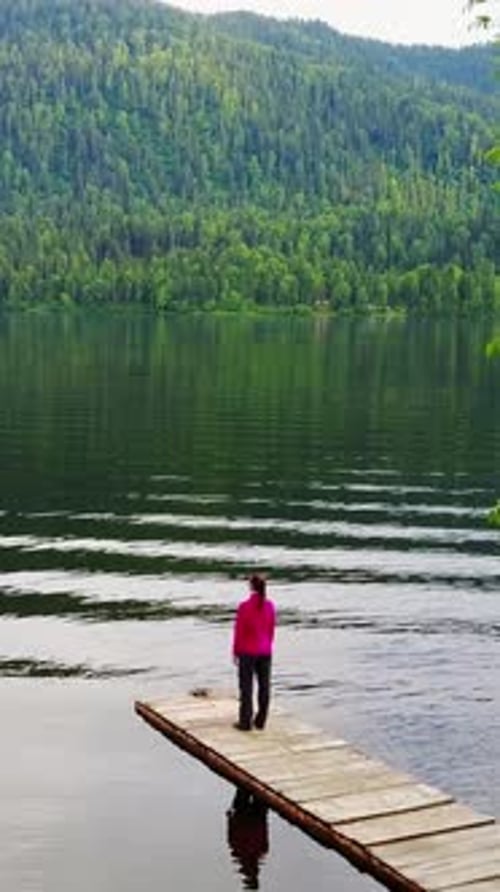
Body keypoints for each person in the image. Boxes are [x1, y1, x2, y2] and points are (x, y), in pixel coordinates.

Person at [232, 574, 276, 731]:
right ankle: (260, 720)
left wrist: (235, 652)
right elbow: (271, 630)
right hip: (265, 651)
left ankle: (245, 722)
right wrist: (268, 646)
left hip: (247, 651)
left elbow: (239, 631)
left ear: (251, 586)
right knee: (264, 686)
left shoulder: (244, 607)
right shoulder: (270, 606)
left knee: (246, 687)